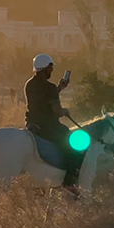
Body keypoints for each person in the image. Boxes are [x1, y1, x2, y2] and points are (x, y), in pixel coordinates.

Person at [24, 53, 80, 193]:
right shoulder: (49, 88)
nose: (52, 71)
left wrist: (59, 88)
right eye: (51, 68)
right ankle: (69, 181)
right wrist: (65, 111)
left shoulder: (29, 84)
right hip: (48, 126)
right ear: (47, 68)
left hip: (32, 123)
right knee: (72, 142)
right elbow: (56, 111)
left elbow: (43, 99)